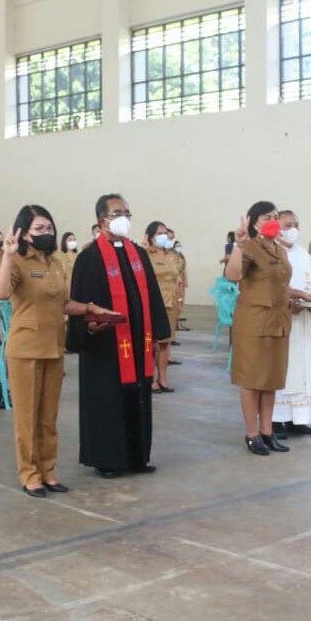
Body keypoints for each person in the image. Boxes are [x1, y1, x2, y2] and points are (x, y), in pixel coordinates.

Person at [0, 206, 118, 497]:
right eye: (39, 229)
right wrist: (8, 255)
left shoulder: (56, 263)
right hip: (25, 349)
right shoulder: (17, 262)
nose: (46, 233)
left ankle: (48, 471)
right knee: (27, 417)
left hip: (53, 346)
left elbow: (62, 303)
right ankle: (29, 474)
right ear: (23, 233)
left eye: (49, 228)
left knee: (48, 417)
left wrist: (88, 308)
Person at [66, 194, 170, 478]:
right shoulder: (89, 258)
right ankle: (108, 458)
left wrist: (159, 331)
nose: (123, 217)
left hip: (137, 342)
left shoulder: (138, 254)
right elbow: (79, 303)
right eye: (117, 212)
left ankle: (138, 456)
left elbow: (152, 296)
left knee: (137, 397)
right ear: (102, 220)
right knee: (107, 400)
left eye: (126, 212)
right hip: (105, 347)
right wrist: (89, 326)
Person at [225, 201, 311, 456]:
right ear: (253, 223)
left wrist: (298, 297)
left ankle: (267, 431)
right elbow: (233, 275)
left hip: (277, 319)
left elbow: (279, 284)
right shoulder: (249, 247)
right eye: (266, 218)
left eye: (275, 217)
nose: (272, 221)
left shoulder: (279, 249)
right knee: (252, 381)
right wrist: (239, 245)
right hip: (254, 321)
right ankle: (252, 434)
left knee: (270, 380)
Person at [272, 210, 311, 436]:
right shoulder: (272, 253)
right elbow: (269, 288)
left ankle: (298, 419)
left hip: (301, 324)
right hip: (279, 321)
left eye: (295, 224)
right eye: (287, 224)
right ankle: (275, 420)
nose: (292, 229)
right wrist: (289, 302)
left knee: (301, 369)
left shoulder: (304, 255)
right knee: (280, 368)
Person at [145, 221, 183, 393]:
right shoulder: (146, 255)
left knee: (165, 344)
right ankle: (151, 379)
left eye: (165, 232)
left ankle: (163, 378)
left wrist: (179, 297)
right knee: (153, 344)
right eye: (159, 233)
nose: (163, 236)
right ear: (150, 237)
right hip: (153, 304)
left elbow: (177, 278)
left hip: (170, 304)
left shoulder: (172, 255)